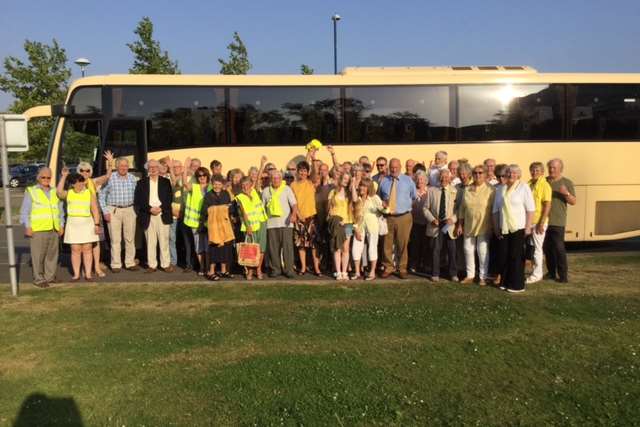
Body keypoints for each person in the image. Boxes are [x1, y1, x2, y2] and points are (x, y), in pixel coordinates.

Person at [492, 164, 535, 293]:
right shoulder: (500, 189)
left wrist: (528, 226)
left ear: (519, 175)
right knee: (504, 255)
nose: (511, 175)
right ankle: (504, 282)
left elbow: (530, 209)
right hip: (504, 228)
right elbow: (495, 210)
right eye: (509, 173)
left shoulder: (523, 187)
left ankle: (516, 285)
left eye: (514, 173)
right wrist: (496, 228)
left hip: (518, 227)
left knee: (515, 256)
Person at [20, 167, 65, 287]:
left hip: (54, 228)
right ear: (38, 178)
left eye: (48, 177)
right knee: (38, 255)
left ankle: (49, 277)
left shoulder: (55, 191)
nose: (46, 179)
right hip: (38, 229)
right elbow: (25, 211)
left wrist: (61, 225)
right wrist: (28, 226)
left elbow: (60, 211)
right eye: (43, 177)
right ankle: (38, 278)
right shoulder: (31, 191)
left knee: (52, 255)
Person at [56, 170, 101, 281]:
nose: (80, 184)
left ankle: (88, 274)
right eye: (78, 182)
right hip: (73, 223)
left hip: (87, 223)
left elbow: (95, 210)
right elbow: (58, 192)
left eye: (81, 182)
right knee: (75, 249)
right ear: (72, 184)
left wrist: (96, 224)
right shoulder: (68, 193)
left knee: (87, 249)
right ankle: (76, 274)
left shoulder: (88, 193)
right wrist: (64, 177)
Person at [456, 164, 495, 285]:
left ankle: (483, 276)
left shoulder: (491, 189)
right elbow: (462, 208)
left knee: (482, 251)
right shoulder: (467, 189)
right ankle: (470, 275)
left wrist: (494, 226)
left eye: (480, 173)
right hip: (468, 224)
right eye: (475, 173)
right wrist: (460, 225)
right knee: (468, 249)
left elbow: (494, 209)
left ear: (485, 174)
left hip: (484, 225)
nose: (477, 175)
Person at [76, 151, 113, 278]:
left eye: (87, 170)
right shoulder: (74, 184)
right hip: (82, 217)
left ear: (90, 172)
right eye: (82, 170)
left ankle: (96, 267)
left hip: (95, 217)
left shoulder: (94, 182)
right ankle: (84, 268)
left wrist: (110, 162)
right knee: (82, 244)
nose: (84, 173)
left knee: (96, 243)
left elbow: (107, 176)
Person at [99, 157, 140, 273]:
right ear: (116, 167)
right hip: (114, 210)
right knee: (115, 239)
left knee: (130, 238)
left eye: (126, 165)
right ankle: (116, 264)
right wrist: (106, 212)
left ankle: (130, 262)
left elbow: (138, 195)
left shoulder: (133, 179)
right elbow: (101, 196)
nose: (124, 168)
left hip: (130, 210)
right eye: (121, 165)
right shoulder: (110, 178)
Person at [378, 158, 416, 279]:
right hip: (388, 217)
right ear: (389, 167)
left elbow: (414, 196)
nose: (394, 169)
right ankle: (388, 267)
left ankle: (402, 268)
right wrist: (383, 203)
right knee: (387, 244)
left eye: (396, 167)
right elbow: (379, 198)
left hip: (403, 217)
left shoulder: (408, 180)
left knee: (402, 244)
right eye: (392, 167)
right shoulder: (384, 181)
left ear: (400, 167)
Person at [134, 159, 174, 273]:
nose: (153, 169)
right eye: (150, 167)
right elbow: (138, 200)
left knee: (164, 241)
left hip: (163, 214)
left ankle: (166, 264)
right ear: (147, 169)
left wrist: (160, 208)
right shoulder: (141, 183)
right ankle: (152, 265)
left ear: (159, 168)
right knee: (150, 241)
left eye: (155, 167)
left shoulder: (165, 182)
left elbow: (169, 198)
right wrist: (150, 209)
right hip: (148, 215)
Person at [544, 158, 576, 283]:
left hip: (558, 221)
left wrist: (566, 193)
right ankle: (551, 273)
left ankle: (563, 276)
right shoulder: (544, 181)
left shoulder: (566, 182)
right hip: (544, 221)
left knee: (559, 248)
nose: (551, 170)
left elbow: (573, 201)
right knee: (547, 248)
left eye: (554, 168)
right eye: (550, 167)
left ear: (560, 169)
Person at [423, 169, 458, 282]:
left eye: (446, 177)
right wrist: (432, 219)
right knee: (435, 250)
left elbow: (459, 210)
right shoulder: (431, 191)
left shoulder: (455, 191)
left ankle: (453, 274)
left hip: (449, 225)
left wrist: (453, 219)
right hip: (436, 224)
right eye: (442, 177)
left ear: (450, 178)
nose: (444, 179)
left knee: (451, 250)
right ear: (439, 178)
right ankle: (435, 274)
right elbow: (425, 208)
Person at [262, 169, 298, 278]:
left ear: (281, 179)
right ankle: (276, 269)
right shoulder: (266, 191)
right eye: (273, 178)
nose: (276, 180)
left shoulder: (287, 189)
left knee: (287, 247)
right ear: (270, 180)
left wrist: (293, 215)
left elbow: (294, 204)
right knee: (273, 248)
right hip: (271, 224)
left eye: (278, 178)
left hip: (286, 223)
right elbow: (262, 208)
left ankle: (289, 270)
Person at [201, 174, 235, 280]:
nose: (217, 186)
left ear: (222, 185)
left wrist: (227, 208)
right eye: (215, 184)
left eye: (219, 184)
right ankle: (211, 272)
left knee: (225, 247)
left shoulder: (226, 194)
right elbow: (205, 210)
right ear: (212, 184)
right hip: (214, 226)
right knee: (214, 248)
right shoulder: (208, 195)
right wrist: (220, 208)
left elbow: (231, 208)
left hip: (225, 225)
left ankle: (224, 271)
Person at [290, 160, 320, 275]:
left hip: (311, 217)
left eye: (305, 171)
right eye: (300, 171)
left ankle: (317, 268)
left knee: (313, 245)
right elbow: (293, 203)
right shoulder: (293, 185)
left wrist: (312, 159)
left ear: (308, 172)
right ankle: (303, 268)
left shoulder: (311, 182)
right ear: (297, 172)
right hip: (299, 218)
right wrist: (298, 215)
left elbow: (315, 174)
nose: (302, 173)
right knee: (301, 245)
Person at [352, 177, 384, 280]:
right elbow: (354, 215)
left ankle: (372, 272)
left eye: (364, 186)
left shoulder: (374, 198)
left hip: (372, 226)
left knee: (372, 248)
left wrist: (385, 206)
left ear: (369, 187)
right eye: (361, 185)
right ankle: (357, 272)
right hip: (359, 226)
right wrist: (356, 228)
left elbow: (384, 210)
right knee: (356, 248)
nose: (362, 188)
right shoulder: (357, 199)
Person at [236, 176, 268, 280]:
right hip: (250, 226)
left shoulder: (255, 192)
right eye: (243, 185)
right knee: (251, 250)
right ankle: (250, 271)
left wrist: (262, 164)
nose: (245, 187)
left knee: (261, 249)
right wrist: (248, 226)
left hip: (261, 223)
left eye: (247, 184)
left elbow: (258, 180)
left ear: (251, 185)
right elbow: (243, 214)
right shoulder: (239, 197)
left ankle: (258, 269)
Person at [182, 161, 211, 275]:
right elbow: (184, 182)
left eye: (204, 175)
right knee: (198, 246)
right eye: (199, 176)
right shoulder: (194, 187)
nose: (202, 177)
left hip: (208, 222)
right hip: (195, 222)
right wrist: (185, 167)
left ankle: (208, 267)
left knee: (208, 246)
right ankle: (202, 267)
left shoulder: (211, 187)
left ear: (207, 176)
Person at [526, 162, 552, 284]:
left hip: (538, 222)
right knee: (531, 248)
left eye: (537, 170)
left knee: (537, 248)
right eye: (532, 170)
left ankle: (537, 274)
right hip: (529, 221)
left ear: (542, 172)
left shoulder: (545, 185)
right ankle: (534, 271)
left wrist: (541, 223)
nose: (534, 172)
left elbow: (547, 204)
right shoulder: (529, 184)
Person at [328, 170, 356, 280]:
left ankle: (344, 272)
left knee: (346, 248)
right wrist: (334, 219)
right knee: (337, 248)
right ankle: (338, 272)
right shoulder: (333, 192)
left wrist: (353, 185)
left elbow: (355, 200)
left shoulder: (350, 193)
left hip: (348, 223)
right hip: (336, 223)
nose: (346, 181)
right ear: (341, 179)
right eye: (345, 179)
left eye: (348, 180)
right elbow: (329, 209)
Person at [409, 170, 429, 273]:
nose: (420, 181)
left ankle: (424, 265)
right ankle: (413, 265)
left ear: (426, 180)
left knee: (426, 245)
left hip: (426, 222)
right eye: (418, 179)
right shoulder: (412, 191)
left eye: (422, 179)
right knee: (415, 245)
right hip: (414, 222)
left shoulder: (430, 191)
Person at [167, 159, 184, 269]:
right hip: (172, 214)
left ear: (182, 168)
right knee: (171, 238)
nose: (176, 169)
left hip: (184, 214)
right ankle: (173, 261)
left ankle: (184, 261)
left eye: (178, 167)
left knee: (184, 239)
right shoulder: (167, 180)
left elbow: (176, 184)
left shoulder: (186, 179)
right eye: (174, 167)